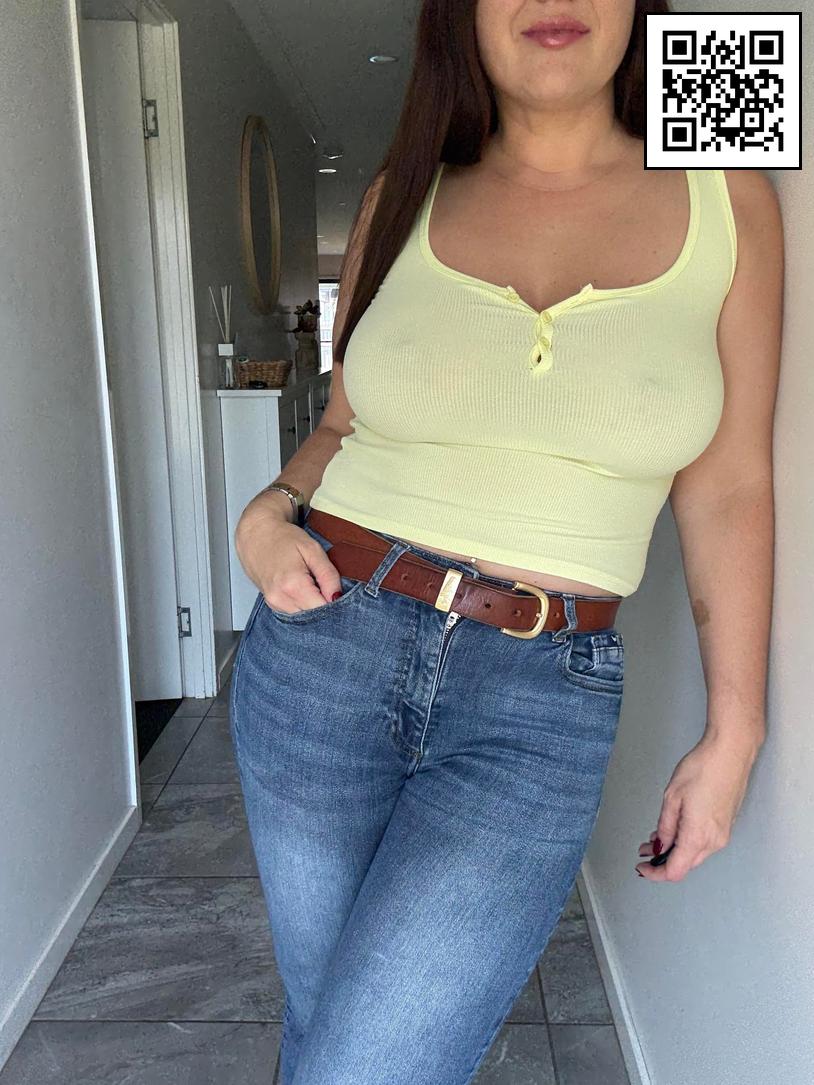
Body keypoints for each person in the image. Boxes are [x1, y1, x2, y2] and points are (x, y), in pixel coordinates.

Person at [230, 1, 782, 1082]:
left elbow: (730, 487)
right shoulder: (402, 193)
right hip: (324, 648)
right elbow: (340, 427)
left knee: (366, 1062)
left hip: (539, 697)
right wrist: (264, 512)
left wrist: (737, 730)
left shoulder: (728, 194)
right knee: (327, 1028)